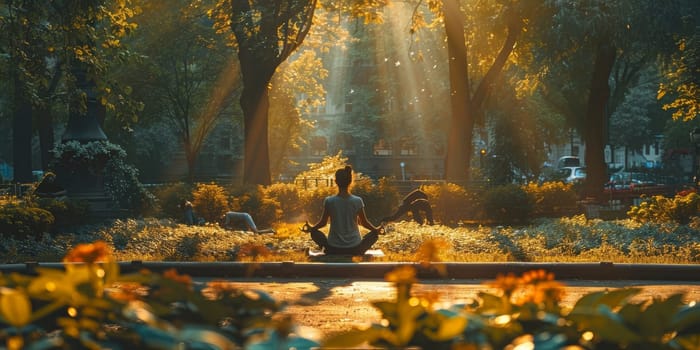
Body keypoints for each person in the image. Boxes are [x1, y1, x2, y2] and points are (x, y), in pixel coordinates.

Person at [303, 165, 383, 255]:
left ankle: (328, 250)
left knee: (314, 233)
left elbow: (323, 223)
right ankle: (359, 251)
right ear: (350, 181)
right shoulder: (357, 201)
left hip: (333, 247)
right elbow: (364, 223)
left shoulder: (329, 201)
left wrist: (311, 229)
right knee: (374, 235)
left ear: (336, 181)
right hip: (355, 247)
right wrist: (376, 230)